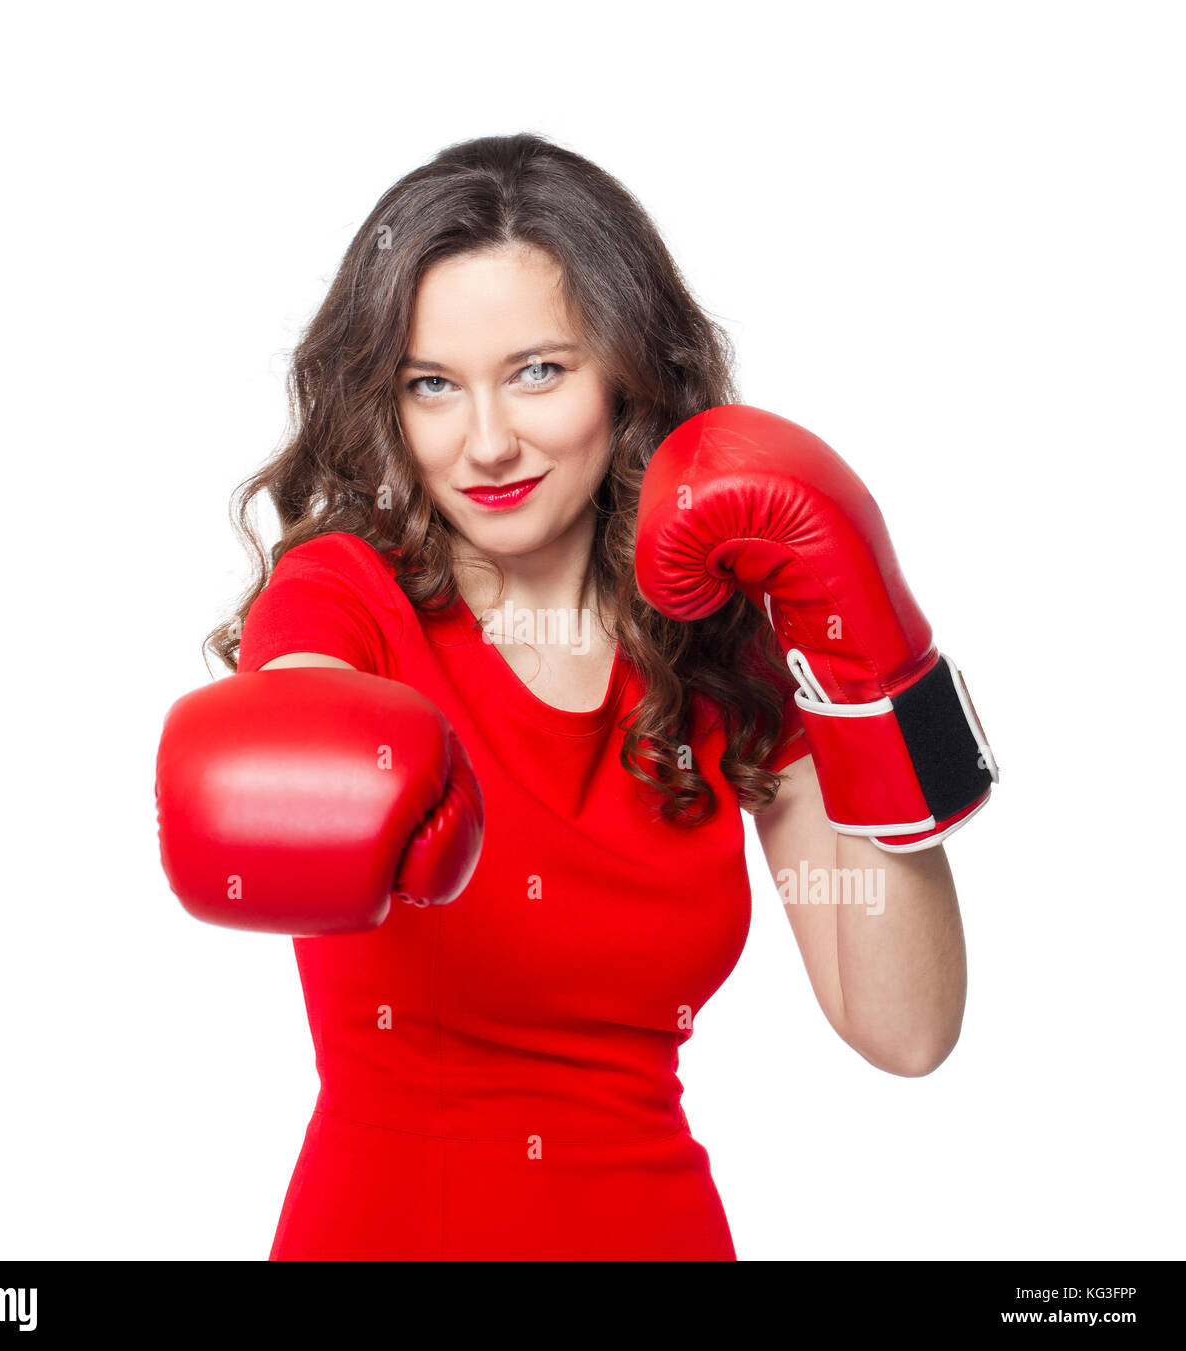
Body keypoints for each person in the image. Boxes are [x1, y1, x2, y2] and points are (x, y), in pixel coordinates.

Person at [154, 132, 997, 1261]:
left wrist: (870, 666)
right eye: (433, 386)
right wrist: (305, 755)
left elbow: (905, 1029)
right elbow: (298, 694)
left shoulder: (722, 639)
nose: (488, 442)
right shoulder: (349, 596)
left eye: (538, 371)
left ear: (626, 368)